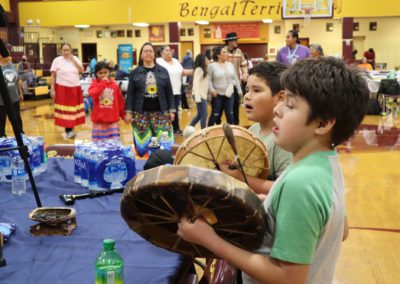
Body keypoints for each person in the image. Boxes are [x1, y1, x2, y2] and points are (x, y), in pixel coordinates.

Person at [177, 57, 370, 284]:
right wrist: (270, 207)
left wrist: (209, 240)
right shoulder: (325, 162)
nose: (277, 109)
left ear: (323, 123)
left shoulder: (300, 183)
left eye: (290, 104)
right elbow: (341, 229)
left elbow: (288, 278)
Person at [221, 62, 292, 195]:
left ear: (281, 98)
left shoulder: (284, 139)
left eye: (256, 90)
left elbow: (285, 189)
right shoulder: (252, 131)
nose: (247, 96)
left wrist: (240, 178)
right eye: (247, 90)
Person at [124, 42, 175, 157]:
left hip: (161, 113)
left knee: (163, 144)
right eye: (145, 51)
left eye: (150, 51)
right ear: (141, 55)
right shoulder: (134, 73)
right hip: (141, 114)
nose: (148, 53)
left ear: (154, 55)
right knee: (143, 146)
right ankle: (147, 167)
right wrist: (128, 112)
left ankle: (161, 166)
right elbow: (130, 94)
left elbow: (169, 93)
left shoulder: (163, 71)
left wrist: (172, 110)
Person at [50, 43, 85, 139]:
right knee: (66, 110)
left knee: (74, 109)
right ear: (60, 51)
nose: (66, 52)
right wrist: (52, 89)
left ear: (71, 50)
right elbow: (53, 76)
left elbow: (82, 70)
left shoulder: (76, 59)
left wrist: (73, 59)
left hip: (75, 87)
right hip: (62, 88)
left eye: (68, 50)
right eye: (64, 50)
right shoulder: (57, 60)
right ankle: (69, 130)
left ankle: (72, 129)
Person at [156, 45, 192, 135]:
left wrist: (196, 70)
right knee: (165, 111)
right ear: (161, 53)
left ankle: (176, 129)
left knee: (175, 110)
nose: (170, 52)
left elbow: (182, 72)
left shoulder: (176, 61)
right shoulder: (158, 61)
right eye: (167, 50)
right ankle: (165, 130)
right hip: (164, 92)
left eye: (170, 50)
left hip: (176, 91)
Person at [88, 62, 125, 141]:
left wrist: (123, 115)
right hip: (99, 122)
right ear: (96, 74)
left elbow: (120, 102)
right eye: (100, 73)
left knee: (113, 146)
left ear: (109, 72)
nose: (103, 75)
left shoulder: (114, 85)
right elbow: (93, 94)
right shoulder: (94, 84)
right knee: (98, 147)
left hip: (112, 122)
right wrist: (102, 83)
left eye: (105, 72)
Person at [207, 46, 242, 126]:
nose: (227, 54)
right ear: (218, 55)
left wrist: (239, 91)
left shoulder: (230, 65)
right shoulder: (212, 66)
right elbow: (209, 80)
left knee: (230, 114)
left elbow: (235, 78)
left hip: (230, 93)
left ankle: (232, 132)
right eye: (224, 52)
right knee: (215, 114)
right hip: (217, 94)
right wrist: (212, 90)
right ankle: (208, 131)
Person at [224, 32, 249, 125]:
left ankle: (236, 125)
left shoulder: (239, 52)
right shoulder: (223, 51)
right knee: (226, 107)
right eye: (235, 40)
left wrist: (245, 74)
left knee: (235, 105)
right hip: (225, 85)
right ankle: (229, 125)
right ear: (229, 41)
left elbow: (244, 64)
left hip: (236, 83)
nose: (236, 42)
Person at [0, 54, 24, 137]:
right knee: (1, 119)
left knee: (17, 118)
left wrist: (20, 93)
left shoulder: (12, 65)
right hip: (1, 100)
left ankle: (20, 136)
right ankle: (2, 137)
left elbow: (17, 81)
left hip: (14, 98)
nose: (8, 56)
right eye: (5, 54)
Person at [189, 53, 210, 129]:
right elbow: (195, 83)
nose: (208, 60)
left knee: (199, 115)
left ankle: (189, 128)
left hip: (202, 96)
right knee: (204, 114)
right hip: (199, 96)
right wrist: (198, 98)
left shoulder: (203, 70)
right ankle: (203, 132)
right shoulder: (199, 69)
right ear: (202, 60)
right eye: (206, 59)